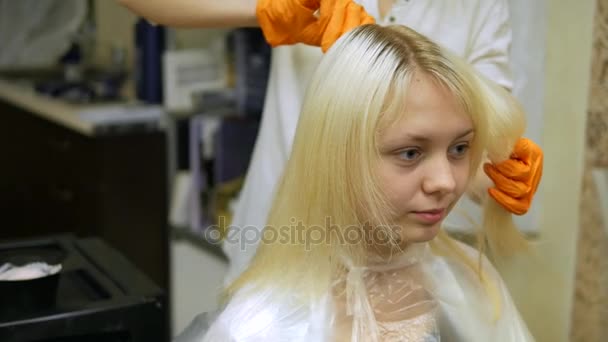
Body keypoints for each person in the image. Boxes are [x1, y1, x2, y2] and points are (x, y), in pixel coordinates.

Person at [118, 0, 542, 285]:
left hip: (399, 261)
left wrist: (496, 173)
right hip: (283, 242)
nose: (443, 181)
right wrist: (266, 8)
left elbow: (480, 134)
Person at [199, 24, 535, 341]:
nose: (445, 182)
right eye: (410, 153)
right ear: (337, 156)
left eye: (460, 148)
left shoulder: (471, 285)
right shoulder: (262, 325)